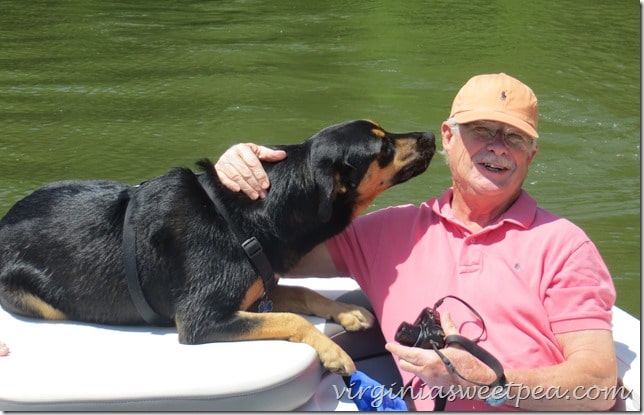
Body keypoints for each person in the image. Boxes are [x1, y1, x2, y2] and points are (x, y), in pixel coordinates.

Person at [214, 73, 618, 411]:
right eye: (483, 131)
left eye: (514, 138)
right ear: (448, 136)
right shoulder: (386, 232)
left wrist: (486, 381)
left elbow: (598, 384)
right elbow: (259, 248)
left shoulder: (565, 245)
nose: (497, 146)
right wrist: (235, 178)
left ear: (531, 155)